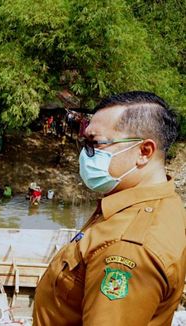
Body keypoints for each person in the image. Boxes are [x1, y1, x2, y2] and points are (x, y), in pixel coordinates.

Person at [33, 91, 186, 325]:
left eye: (95, 143)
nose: (85, 154)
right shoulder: (155, 204)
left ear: (144, 152)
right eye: (84, 143)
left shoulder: (127, 247)